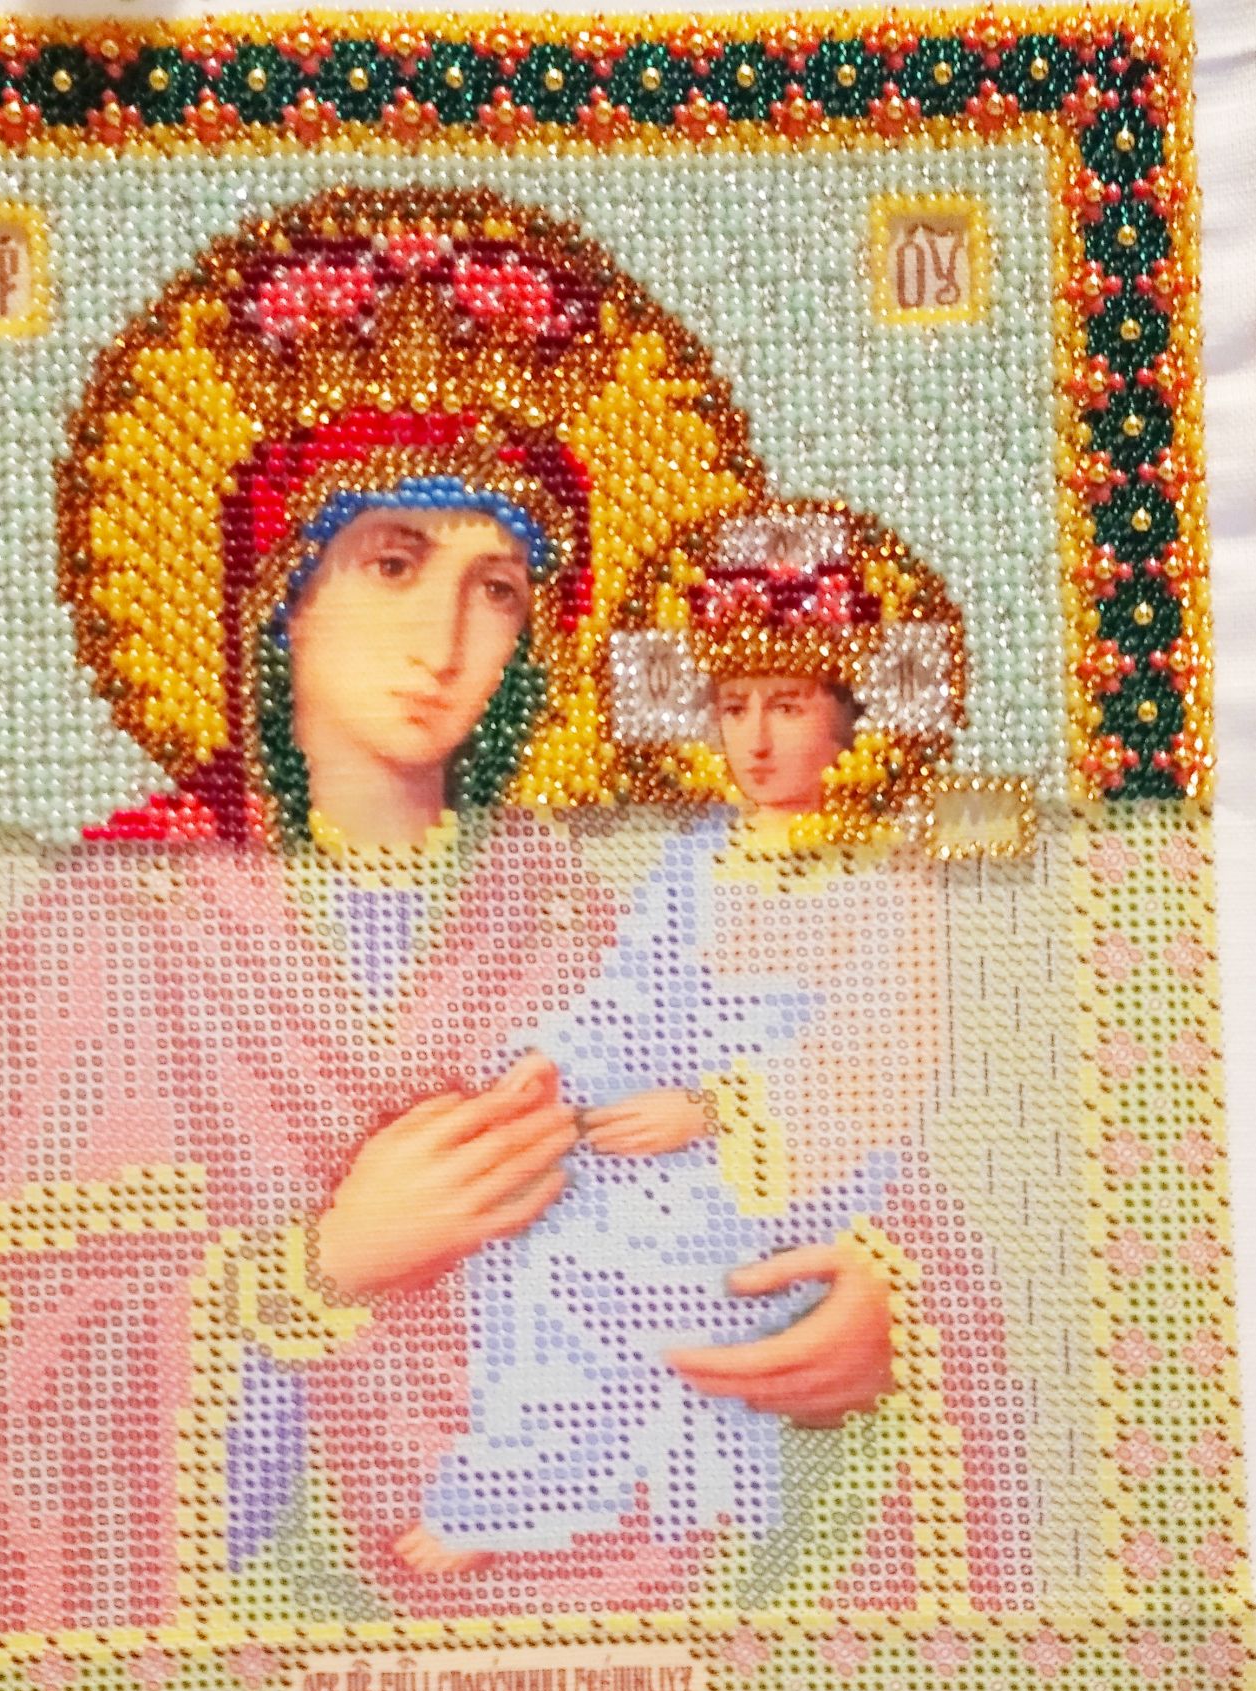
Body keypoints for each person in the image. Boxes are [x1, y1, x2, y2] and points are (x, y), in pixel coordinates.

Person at [0, 191, 896, 1633]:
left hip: (611, 1588)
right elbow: (1, 1346)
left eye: (495, 588)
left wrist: (866, 1307)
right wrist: (319, 1267)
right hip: (253, 1628)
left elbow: (800, 1139)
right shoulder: (120, 928)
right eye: (390, 561)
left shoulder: (573, 922)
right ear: (277, 589)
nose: (445, 640)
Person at [402, 499, 999, 1581]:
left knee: (600, 1252)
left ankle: (549, 1498)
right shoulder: (701, 852)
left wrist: (714, 1110)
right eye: (732, 706)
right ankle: (558, 1481)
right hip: (667, 1113)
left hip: (796, 1153)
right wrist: (550, 1062)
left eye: (787, 704)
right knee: (529, 1209)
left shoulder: (885, 866)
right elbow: (634, 991)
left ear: (848, 716)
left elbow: (886, 1047)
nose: (755, 739)